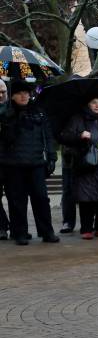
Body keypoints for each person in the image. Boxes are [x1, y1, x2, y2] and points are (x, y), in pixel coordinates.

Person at [0, 80, 59, 245]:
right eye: (20, 93)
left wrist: (52, 157)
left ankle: (47, 232)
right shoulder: (5, 113)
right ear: (12, 95)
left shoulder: (39, 112)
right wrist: (10, 120)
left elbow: (47, 136)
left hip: (36, 163)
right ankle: (20, 233)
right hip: (13, 165)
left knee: (41, 199)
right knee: (17, 201)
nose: (24, 95)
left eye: (26, 92)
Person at [59, 96, 98, 239]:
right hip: (87, 165)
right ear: (88, 105)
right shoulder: (78, 119)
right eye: (94, 102)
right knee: (86, 197)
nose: (97, 105)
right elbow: (65, 136)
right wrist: (80, 135)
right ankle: (86, 229)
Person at [0, 81, 10, 240]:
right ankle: (3, 225)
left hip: (11, 161)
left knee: (15, 197)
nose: (1, 95)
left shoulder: (12, 110)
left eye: (3, 91)